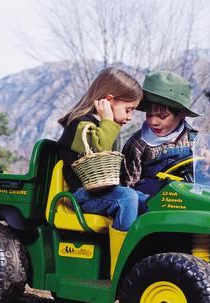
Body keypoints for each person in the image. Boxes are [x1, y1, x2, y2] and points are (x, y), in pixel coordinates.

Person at [58, 67, 149, 261]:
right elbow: (98, 150)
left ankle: (148, 256)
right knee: (127, 198)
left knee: (146, 199)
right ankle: (121, 262)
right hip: (79, 195)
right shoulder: (80, 124)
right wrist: (108, 120)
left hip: (98, 190)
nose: (130, 117)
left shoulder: (103, 127)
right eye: (129, 109)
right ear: (109, 101)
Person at [121, 70, 204, 196]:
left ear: (182, 114)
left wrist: (209, 163)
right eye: (149, 115)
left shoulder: (194, 138)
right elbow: (128, 187)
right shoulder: (138, 144)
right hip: (152, 206)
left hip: (188, 200)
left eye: (162, 116)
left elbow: (205, 175)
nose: (153, 121)